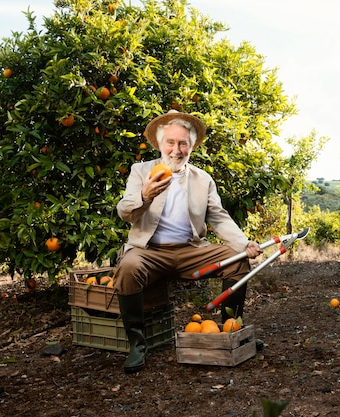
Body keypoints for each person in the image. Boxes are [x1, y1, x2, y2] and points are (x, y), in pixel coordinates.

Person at [113, 110, 263, 373]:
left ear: (192, 146)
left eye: (183, 143)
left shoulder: (202, 179)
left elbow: (219, 217)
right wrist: (144, 196)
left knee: (238, 263)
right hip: (150, 251)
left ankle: (230, 331)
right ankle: (137, 344)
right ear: (160, 144)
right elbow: (124, 211)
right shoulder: (141, 171)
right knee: (127, 268)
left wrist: (243, 244)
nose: (176, 149)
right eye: (170, 142)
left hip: (191, 250)